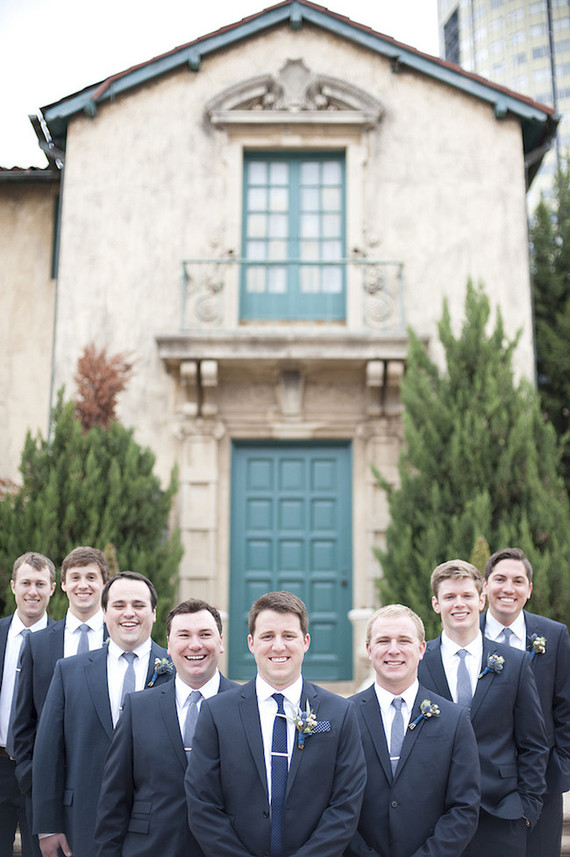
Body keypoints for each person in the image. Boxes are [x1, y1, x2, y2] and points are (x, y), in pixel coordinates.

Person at [185, 590, 366, 857]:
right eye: (267, 636)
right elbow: (202, 803)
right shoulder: (216, 713)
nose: (278, 646)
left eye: (288, 636)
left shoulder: (340, 713)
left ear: (306, 641)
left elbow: (346, 805)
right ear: (251, 643)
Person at [32, 571, 171, 857]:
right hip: (81, 821)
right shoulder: (69, 671)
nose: (128, 613)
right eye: (119, 605)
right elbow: (48, 752)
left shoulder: (176, 672)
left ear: (154, 613)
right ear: (105, 612)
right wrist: (47, 826)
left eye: (139, 605)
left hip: (159, 828)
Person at [418, 559, 549, 857]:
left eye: (466, 596)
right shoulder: (419, 662)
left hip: (501, 813)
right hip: (433, 816)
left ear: (481, 599)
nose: (459, 604)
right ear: (436, 604)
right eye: (450, 597)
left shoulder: (514, 663)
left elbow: (534, 743)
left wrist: (526, 808)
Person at [94, 598, 237, 857]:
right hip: (151, 848)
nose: (195, 644)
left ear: (221, 642)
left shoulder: (245, 707)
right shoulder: (138, 708)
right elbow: (114, 798)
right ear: (169, 646)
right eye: (184, 635)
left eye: (205, 634)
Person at [346, 604, 480, 857]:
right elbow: (334, 802)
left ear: (421, 649)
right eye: (383, 640)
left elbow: (464, 807)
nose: (393, 649)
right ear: (369, 649)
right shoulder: (344, 716)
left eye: (404, 641)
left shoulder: (454, 719)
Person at [481, 546, 570, 857]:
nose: (508, 588)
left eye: (518, 581)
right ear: (485, 586)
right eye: (500, 579)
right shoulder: (466, 635)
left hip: (543, 781)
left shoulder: (555, 636)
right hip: (482, 783)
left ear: (529, 590)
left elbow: (566, 709)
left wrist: (560, 767)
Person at [13, 546, 109, 803]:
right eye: (75, 577)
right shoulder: (38, 644)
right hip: (46, 784)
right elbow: (23, 718)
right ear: (63, 584)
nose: (83, 585)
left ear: (104, 583)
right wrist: (29, 774)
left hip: (109, 783)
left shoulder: (121, 641)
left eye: (91, 577)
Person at [0, 552, 56, 857]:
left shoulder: (65, 643)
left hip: (40, 771)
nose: (32, 591)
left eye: (39, 583)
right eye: (25, 583)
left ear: (52, 588)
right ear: (12, 586)